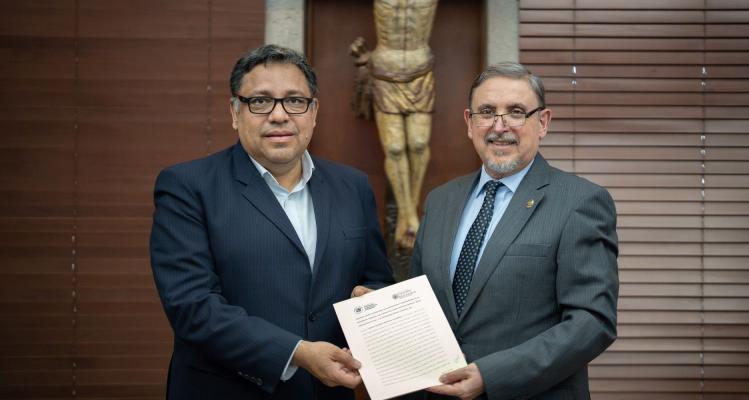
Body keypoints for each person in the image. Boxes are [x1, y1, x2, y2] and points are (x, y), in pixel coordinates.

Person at [149, 44, 394, 400]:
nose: (279, 116)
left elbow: (374, 278)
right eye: (260, 102)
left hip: (328, 392)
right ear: (235, 112)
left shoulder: (353, 186)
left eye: (295, 101)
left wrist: (375, 305)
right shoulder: (187, 187)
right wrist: (298, 353)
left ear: (314, 112)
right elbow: (192, 306)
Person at [410, 62, 619, 399]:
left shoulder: (580, 202)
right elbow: (421, 304)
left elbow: (592, 322)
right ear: (469, 122)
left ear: (543, 123)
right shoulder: (440, 201)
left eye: (516, 112)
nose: (499, 126)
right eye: (487, 112)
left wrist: (491, 376)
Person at [367, 0, 438, 249]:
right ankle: (408, 218)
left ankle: (410, 212)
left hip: (421, 72)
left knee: (418, 143)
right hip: (385, 71)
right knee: (395, 148)